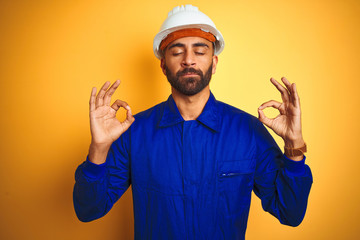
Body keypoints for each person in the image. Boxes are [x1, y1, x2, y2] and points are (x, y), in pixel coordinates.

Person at [73, 4, 313, 240]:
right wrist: (99, 148)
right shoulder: (134, 131)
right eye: (177, 52)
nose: (189, 60)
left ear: (214, 63)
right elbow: (89, 210)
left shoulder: (248, 131)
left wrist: (294, 145)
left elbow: (289, 212)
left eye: (200, 51)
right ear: (163, 64)